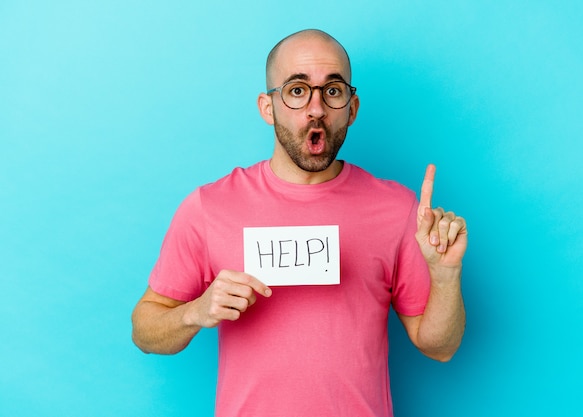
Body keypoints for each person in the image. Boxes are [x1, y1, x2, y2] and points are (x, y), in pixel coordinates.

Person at [131, 29, 466, 417]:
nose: (317, 108)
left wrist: (445, 275)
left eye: (333, 90)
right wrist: (196, 311)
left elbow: (440, 347)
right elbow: (144, 330)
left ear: (352, 108)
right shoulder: (209, 207)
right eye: (296, 90)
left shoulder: (397, 209)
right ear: (267, 106)